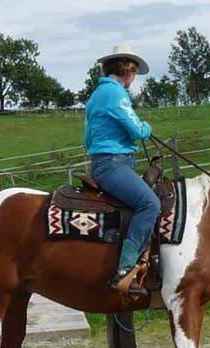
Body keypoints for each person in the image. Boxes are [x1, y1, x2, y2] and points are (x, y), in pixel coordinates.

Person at [84, 45, 160, 297]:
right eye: (134, 73)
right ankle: (125, 268)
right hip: (114, 165)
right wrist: (147, 127)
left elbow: (87, 139)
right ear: (127, 70)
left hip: (104, 162)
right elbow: (137, 130)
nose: (133, 79)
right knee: (150, 203)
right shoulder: (115, 94)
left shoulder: (96, 95)